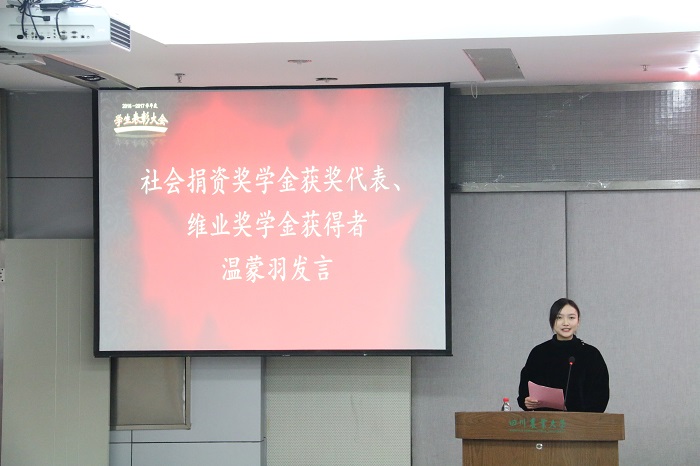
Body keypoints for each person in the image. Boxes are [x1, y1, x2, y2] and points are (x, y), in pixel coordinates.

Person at [517, 298, 609, 412]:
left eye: (571, 318)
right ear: (552, 321)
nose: (565, 323)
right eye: (559, 317)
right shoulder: (539, 353)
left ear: (578, 321)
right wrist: (527, 401)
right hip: (547, 421)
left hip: (581, 421)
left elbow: (600, 396)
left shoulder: (591, 355)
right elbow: (525, 392)